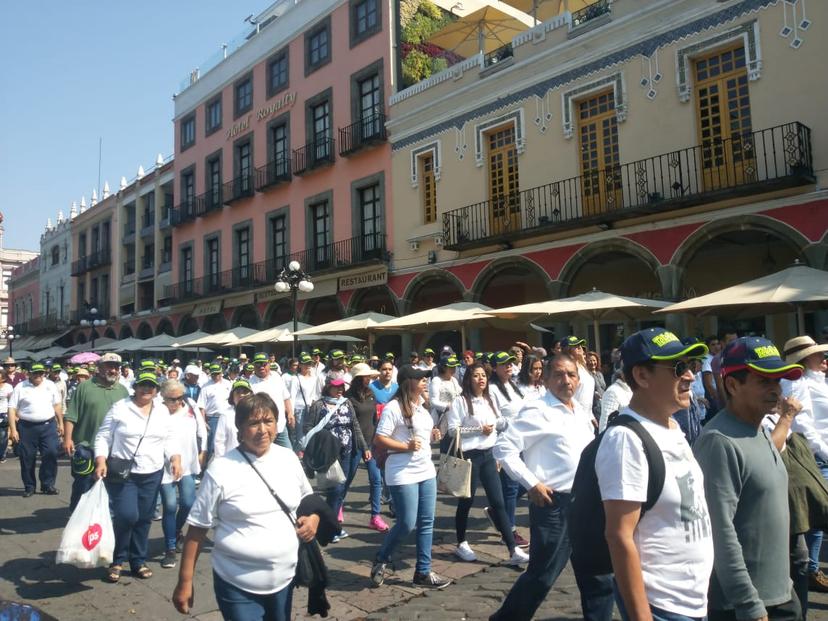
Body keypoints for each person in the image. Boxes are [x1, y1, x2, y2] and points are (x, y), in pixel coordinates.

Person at [173, 393, 336, 621]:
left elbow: (308, 500)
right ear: (239, 428)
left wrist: (313, 520)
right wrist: (185, 581)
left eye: (268, 421)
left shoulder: (288, 458)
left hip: (284, 579)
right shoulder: (221, 469)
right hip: (236, 582)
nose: (262, 430)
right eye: (253, 423)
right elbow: (197, 530)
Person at [598, 328, 713, 620]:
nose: (690, 376)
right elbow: (618, 535)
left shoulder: (673, 427)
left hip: (692, 600)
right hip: (662, 605)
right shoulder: (626, 439)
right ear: (642, 376)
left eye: (691, 366)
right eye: (678, 368)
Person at [694, 337, 805, 620]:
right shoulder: (719, 441)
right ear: (733, 385)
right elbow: (720, 531)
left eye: (778, 381)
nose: (776, 390)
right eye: (765, 381)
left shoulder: (759, 431)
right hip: (747, 606)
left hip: (780, 593)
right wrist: (748, 604)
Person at [490, 354, 603, 621]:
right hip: (555, 505)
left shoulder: (580, 410)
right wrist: (532, 484)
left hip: (587, 503)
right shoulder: (537, 410)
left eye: (572, 375)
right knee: (543, 575)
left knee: (598, 574)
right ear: (547, 378)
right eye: (559, 375)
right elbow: (503, 449)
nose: (567, 380)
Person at [93, 371, 182, 583]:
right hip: (124, 473)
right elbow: (103, 435)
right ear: (135, 386)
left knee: (143, 518)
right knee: (126, 516)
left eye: (151, 386)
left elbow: (169, 438)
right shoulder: (120, 408)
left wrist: (175, 459)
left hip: (152, 472)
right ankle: (117, 559)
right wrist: (101, 460)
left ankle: (138, 561)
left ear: (157, 390)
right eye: (142, 385)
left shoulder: (161, 411)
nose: (146, 389)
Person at [370, 365, 450, 589]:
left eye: (425, 378)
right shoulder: (393, 407)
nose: (425, 381)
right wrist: (405, 446)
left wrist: (433, 434)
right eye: (419, 378)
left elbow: (423, 437)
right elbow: (380, 438)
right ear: (408, 382)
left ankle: (423, 572)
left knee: (427, 522)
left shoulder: (422, 408)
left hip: (426, 470)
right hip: (402, 472)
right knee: (406, 523)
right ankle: (382, 557)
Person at [447, 362, 529, 566]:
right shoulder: (461, 401)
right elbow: (452, 430)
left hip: (489, 454)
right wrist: (478, 430)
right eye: (476, 375)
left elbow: (498, 422)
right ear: (469, 378)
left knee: (498, 502)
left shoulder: (489, 398)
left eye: (483, 375)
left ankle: (512, 548)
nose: (481, 379)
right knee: (466, 501)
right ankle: (462, 542)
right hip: (469, 455)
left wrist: (502, 425)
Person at [783, 335, 828, 591]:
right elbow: (804, 427)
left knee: (814, 521)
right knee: (814, 519)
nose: (823, 358)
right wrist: (824, 453)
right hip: (816, 455)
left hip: (818, 453)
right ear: (805, 358)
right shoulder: (798, 384)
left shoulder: (811, 382)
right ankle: (809, 568)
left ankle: (810, 567)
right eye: (818, 354)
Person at [303, 376, 368, 541]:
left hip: (347, 450)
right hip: (328, 452)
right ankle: (329, 527)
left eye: (341, 387)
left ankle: (328, 524)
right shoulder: (319, 405)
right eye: (336, 387)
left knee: (341, 489)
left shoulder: (346, 403)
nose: (339, 390)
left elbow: (355, 425)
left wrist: (364, 447)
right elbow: (308, 427)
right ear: (328, 387)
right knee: (335, 489)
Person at [63, 352, 130, 510]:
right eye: (109, 366)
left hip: (113, 450)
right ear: (99, 368)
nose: (113, 370)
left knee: (109, 487)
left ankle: (100, 523)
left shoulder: (123, 391)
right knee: (83, 486)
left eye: (116, 367)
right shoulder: (84, 387)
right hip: (86, 446)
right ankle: (77, 519)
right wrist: (67, 439)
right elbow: (71, 415)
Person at [158, 379, 207, 570]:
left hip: (187, 464)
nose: (177, 402)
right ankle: (170, 548)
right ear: (163, 397)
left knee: (188, 503)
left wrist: (202, 451)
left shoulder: (191, 406)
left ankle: (176, 530)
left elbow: (202, 429)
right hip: (164, 467)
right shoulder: (157, 411)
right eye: (172, 399)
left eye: (180, 398)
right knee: (170, 505)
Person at [488, 351, 530, 548]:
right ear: (495, 367)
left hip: (521, 440)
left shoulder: (512, 385)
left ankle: (499, 513)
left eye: (510, 363)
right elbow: (493, 419)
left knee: (525, 480)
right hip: (505, 442)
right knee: (512, 486)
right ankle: (509, 530)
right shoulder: (492, 389)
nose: (509, 366)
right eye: (504, 364)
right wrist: (511, 422)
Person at [345, 362, 390, 532]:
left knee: (376, 479)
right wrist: (364, 447)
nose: (369, 378)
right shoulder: (349, 398)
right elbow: (353, 424)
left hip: (371, 442)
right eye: (366, 376)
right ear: (358, 379)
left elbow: (374, 418)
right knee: (348, 478)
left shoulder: (371, 393)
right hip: (355, 443)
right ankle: (338, 506)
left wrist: (378, 439)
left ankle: (375, 516)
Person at [8, 362, 63, 497]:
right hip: (27, 427)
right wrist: (13, 430)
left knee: (51, 453)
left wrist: (61, 423)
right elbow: (12, 409)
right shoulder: (21, 387)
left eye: (41, 373)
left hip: (48, 426)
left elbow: (57, 405)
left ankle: (47, 484)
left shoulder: (50, 385)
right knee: (27, 457)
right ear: (29, 374)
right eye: (35, 373)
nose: (38, 376)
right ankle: (29, 486)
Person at [249, 352, 294, 449]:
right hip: (262, 430)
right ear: (253, 365)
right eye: (258, 364)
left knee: (288, 454)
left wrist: (290, 413)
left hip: (280, 427)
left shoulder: (277, 377)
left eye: (264, 364)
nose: (261, 367)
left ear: (269, 364)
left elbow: (286, 397)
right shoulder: (250, 383)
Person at [284, 352, 324, 451]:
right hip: (299, 410)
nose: (308, 366)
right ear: (300, 365)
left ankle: (307, 457)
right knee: (300, 437)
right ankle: (298, 455)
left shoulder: (315, 378)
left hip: (312, 409)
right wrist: (291, 414)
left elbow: (317, 394)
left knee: (311, 434)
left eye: (309, 363)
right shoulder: (295, 378)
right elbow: (291, 397)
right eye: (305, 363)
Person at [196, 363, 232, 467]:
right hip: (213, 419)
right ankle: (209, 469)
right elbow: (201, 406)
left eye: (217, 373)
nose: (215, 376)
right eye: (213, 374)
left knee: (228, 444)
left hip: (227, 416)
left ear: (221, 373)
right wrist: (203, 423)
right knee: (213, 445)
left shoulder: (228, 384)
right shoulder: (205, 386)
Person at [214, 378, 253, 459]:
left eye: (245, 392)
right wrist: (220, 461)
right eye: (238, 392)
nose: (241, 395)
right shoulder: (225, 415)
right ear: (232, 397)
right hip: (231, 460)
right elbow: (219, 442)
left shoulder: (257, 413)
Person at [561, 336, 595, 414]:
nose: (580, 347)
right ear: (567, 350)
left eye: (580, 345)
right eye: (575, 346)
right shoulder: (566, 369)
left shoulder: (582, 366)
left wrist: (591, 415)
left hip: (586, 414)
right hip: (573, 414)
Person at [428, 354, 462, 431]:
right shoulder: (436, 380)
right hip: (441, 418)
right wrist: (447, 406)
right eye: (451, 367)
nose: (453, 369)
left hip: (455, 417)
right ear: (443, 367)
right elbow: (433, 402)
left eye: (454, 367)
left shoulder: (454, 380)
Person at [0, 369, 12, 463]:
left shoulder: (8, 387)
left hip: (3, 413)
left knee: (3, 435)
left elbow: (11, 402)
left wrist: (10, 414)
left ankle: (2, 454)